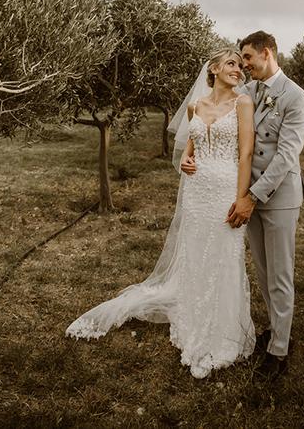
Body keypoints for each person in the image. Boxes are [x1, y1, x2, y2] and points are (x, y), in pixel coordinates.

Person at [66, 48, 256, 379]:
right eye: (231, 63)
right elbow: (190, 150)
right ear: (212, 69)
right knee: (195, 255)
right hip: (197, 193)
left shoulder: (242, 104)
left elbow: (246, 153)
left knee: (225, 256)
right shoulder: (197, 106)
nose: (238, 69)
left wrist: (242, 198)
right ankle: (194, 316)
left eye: (241, 65)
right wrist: (185, 162)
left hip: (225, 192)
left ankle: (222, 330)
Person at [227, 31, 304, 379]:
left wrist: (251, 197)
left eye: (248, 57)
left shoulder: (296, 98)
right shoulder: (247, 92)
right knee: (262, 271)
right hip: (250, 197)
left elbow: (285, 157)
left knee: (280, 275)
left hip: (278, 199)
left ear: (267, 53)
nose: (244, 65)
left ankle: (279, 352)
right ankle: (278, 329)